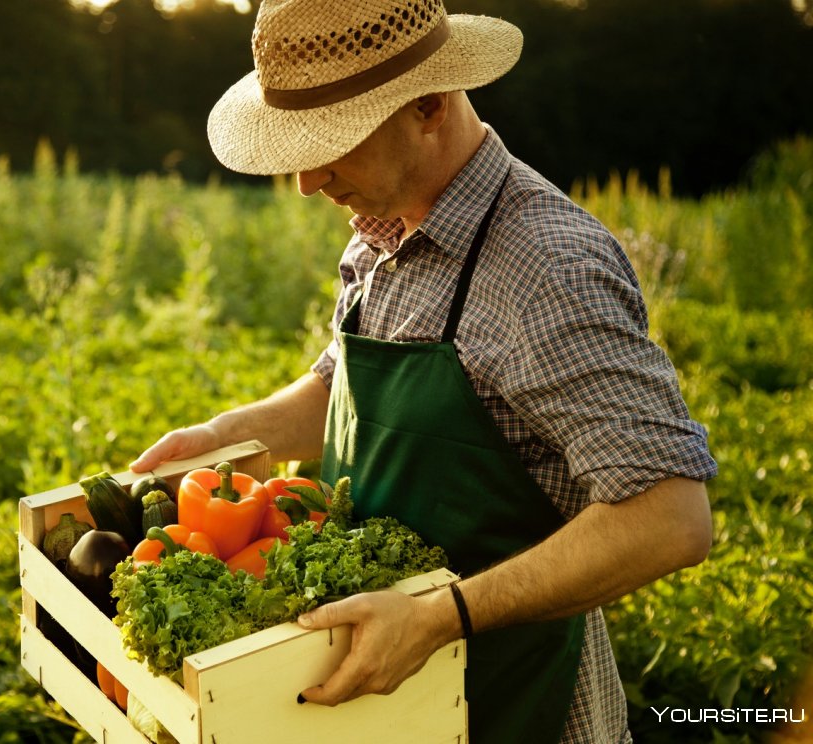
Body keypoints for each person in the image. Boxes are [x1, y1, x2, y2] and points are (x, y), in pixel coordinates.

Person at [130, 0, 718, 741]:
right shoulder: (382, 226)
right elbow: (342, 383)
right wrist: (232, 431)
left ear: (431, 105)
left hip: (511, 699)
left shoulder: (545, 266)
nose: (308, 180)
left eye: (331, 142)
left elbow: (670, 517)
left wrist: (441, 618)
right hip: (383, 700)